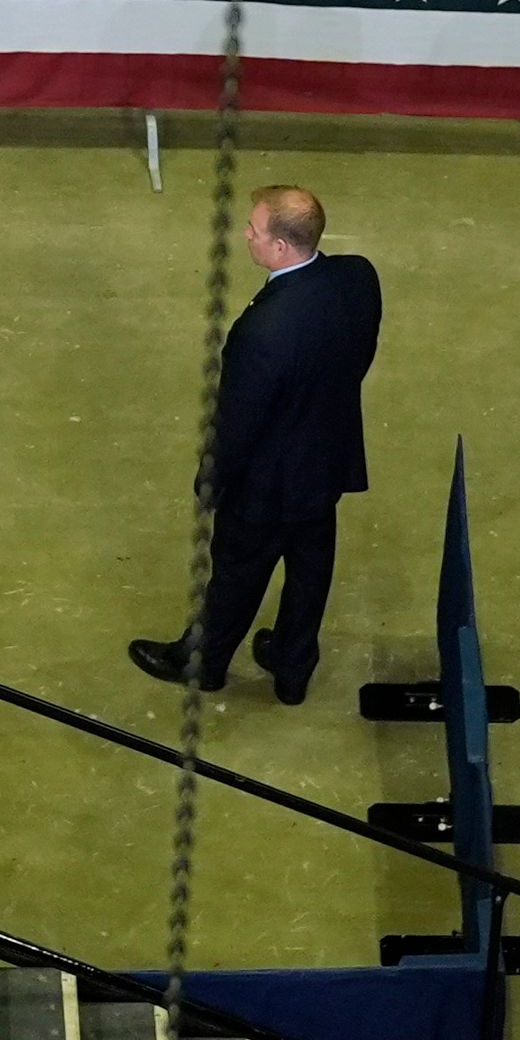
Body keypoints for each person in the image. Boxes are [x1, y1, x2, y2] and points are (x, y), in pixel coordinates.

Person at [129, 185, 382, 705]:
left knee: (237, 573)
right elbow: (360, 352)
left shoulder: (260, 332)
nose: (246, 234)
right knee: (311, 568)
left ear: (281, 247)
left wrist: (211, 480)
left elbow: (238, 423)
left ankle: (204, 663)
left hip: (265, 485)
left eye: (254, 229)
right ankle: (292, 667)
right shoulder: (358, 277)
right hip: (325, 464)